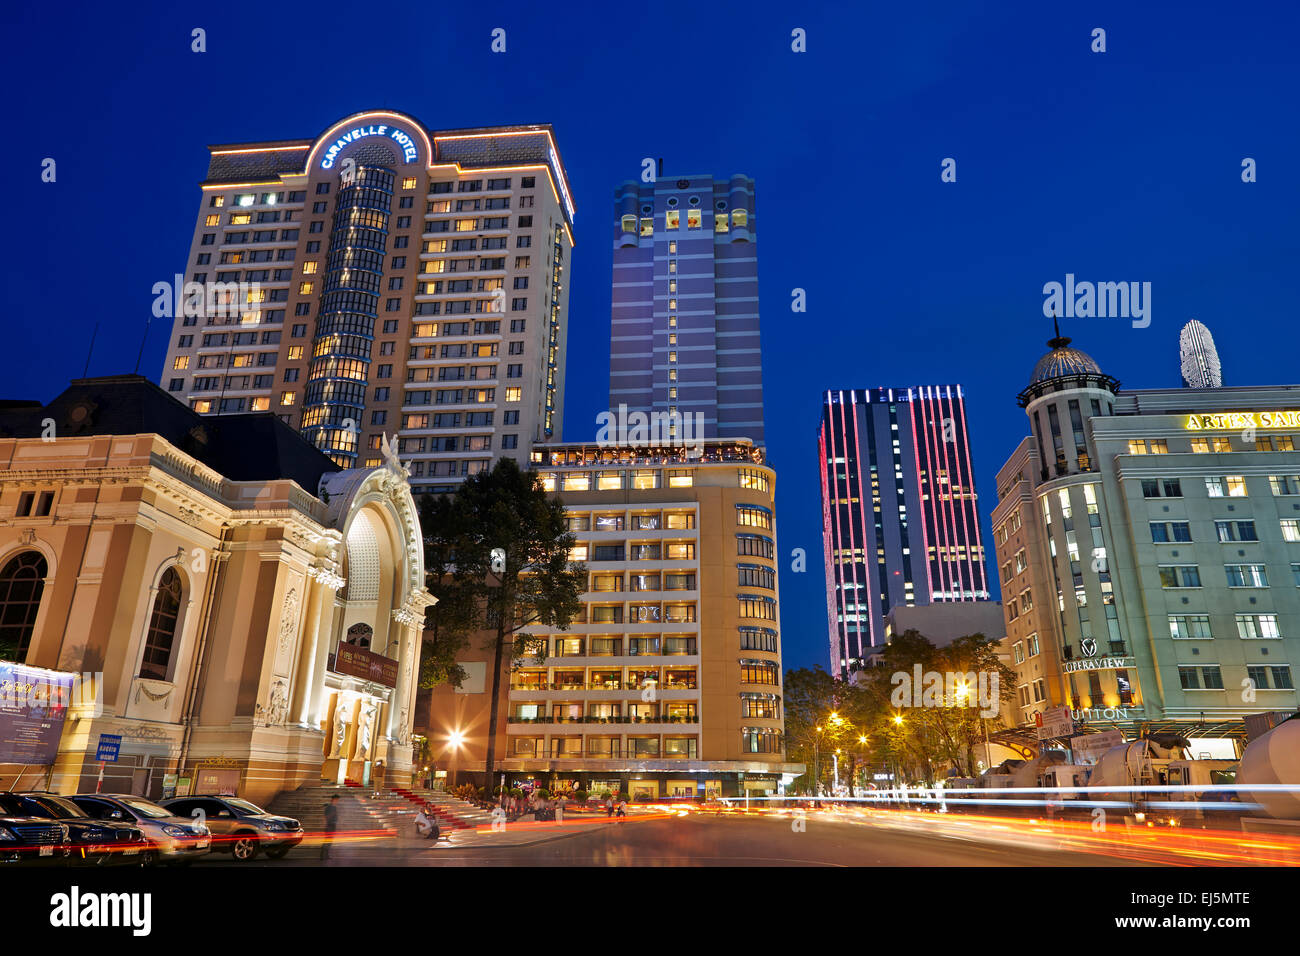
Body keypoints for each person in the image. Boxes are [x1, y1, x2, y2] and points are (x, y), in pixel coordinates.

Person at [320, 795, 340, 861]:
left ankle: (326, 855)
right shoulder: (330, 807)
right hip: (329, 826)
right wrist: (326, 825)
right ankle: (323, 856)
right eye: (337, 800)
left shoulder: (333, 807)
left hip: (332, 825)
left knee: (329, 841)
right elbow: (326, 817)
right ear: (334, 799)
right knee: (327, 841)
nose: (338, 801)